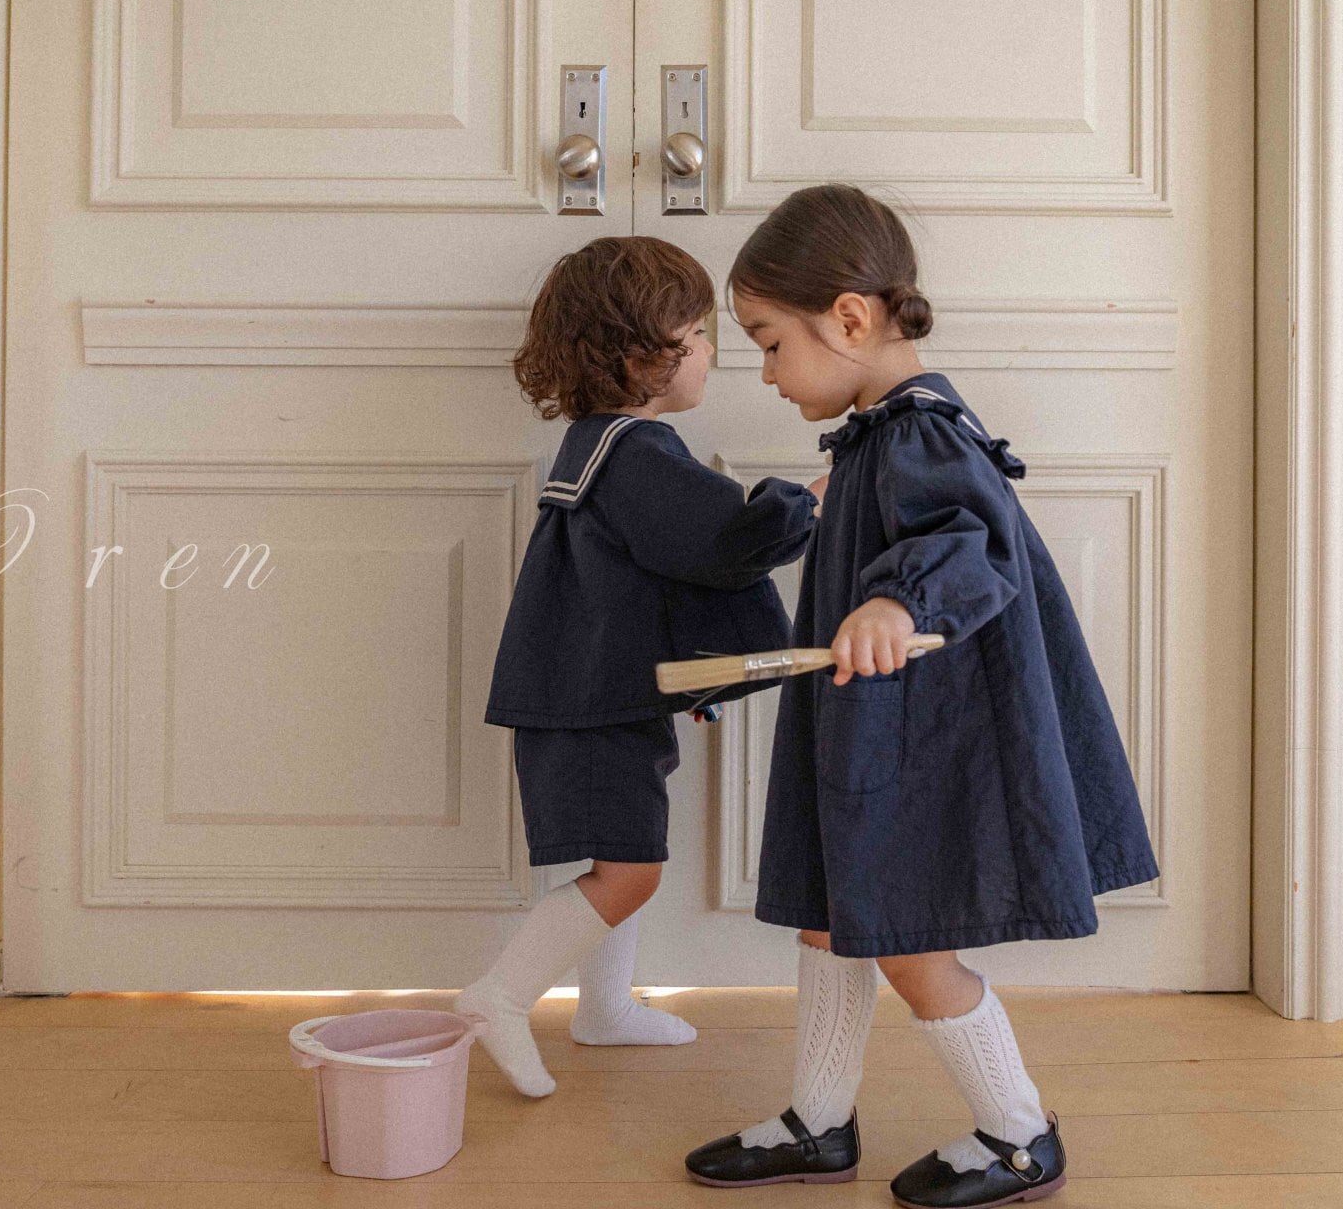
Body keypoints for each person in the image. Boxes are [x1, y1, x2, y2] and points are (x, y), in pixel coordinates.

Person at [682, 186, 1159, 1208]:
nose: (766, 372)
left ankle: (1020, 1132)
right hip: (871, 726)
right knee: (828, 913)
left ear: (849, 318)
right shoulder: (878, 436)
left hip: (919, 739)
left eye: (770, 343)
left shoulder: (921, 435)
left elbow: (967, 541)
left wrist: (898, 599)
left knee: (907, 942)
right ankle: (820, 1120)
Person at [463, 236, 821, 1098]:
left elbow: (642, 574)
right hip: (587, 705)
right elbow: (720, 541)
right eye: (695, 334)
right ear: (639, 356)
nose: (710, 351)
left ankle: (603, 1009)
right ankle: (498, 997)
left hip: (590, 696)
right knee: (630, 872)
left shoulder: (601, 444)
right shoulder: (635, 452)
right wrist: (811, 502)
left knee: (621, 855)